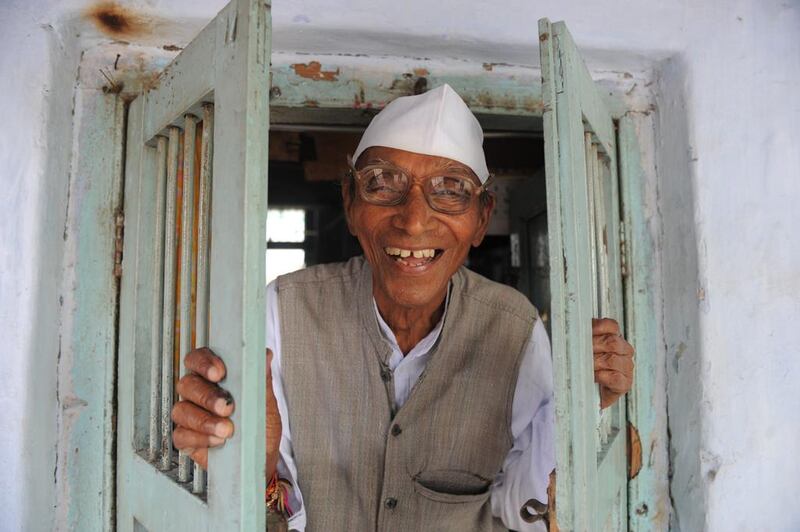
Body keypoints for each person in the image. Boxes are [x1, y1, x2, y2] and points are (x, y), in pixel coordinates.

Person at [171, 84, 635, 531]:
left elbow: (522, 507)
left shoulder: (514, 329)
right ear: (351, 204)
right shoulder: (281, 311)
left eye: (451, 189)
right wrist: (255, 463)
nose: (414, 221)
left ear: (481, 218)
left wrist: (584, 411)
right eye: (382, 183)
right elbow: (266, 510)